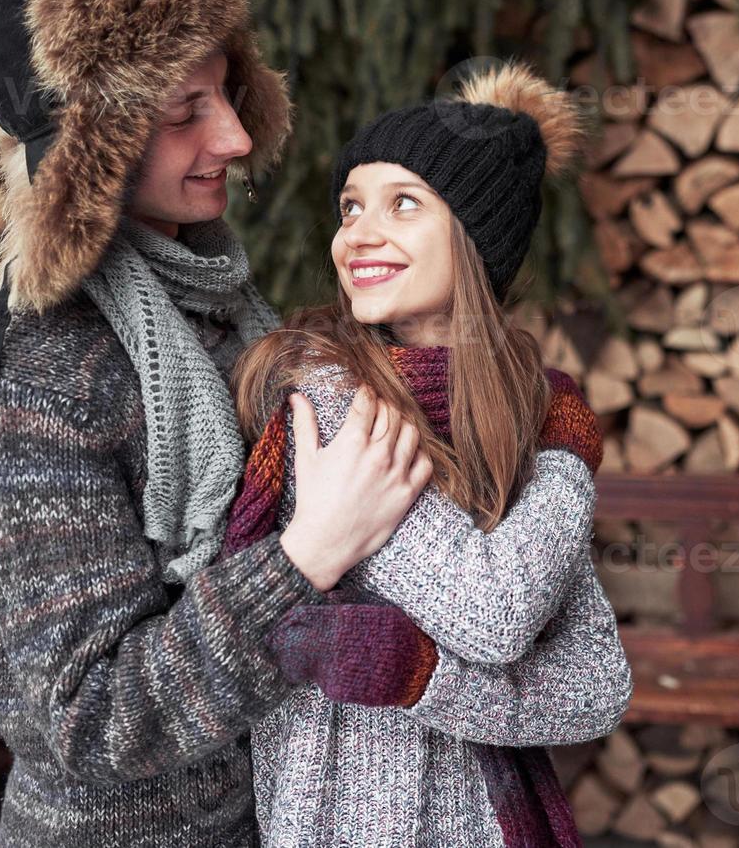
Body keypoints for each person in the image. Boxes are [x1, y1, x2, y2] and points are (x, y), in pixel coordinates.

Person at [0, 0, 440, 845]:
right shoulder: (25, 385)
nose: (237, 139)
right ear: (89, 151)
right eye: (183, 112)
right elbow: (91, 720)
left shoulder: (212, 308)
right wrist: (308, 557)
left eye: (225, 92)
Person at [221, 61, 634, 846]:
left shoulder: (511, 422)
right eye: (349, 207)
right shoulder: (332, 402)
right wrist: (569, 455)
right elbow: (495, 615)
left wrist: (420, 675)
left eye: (401, 204)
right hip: (340, 821)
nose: (356, 235)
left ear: (476, 238)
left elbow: (595, 686)